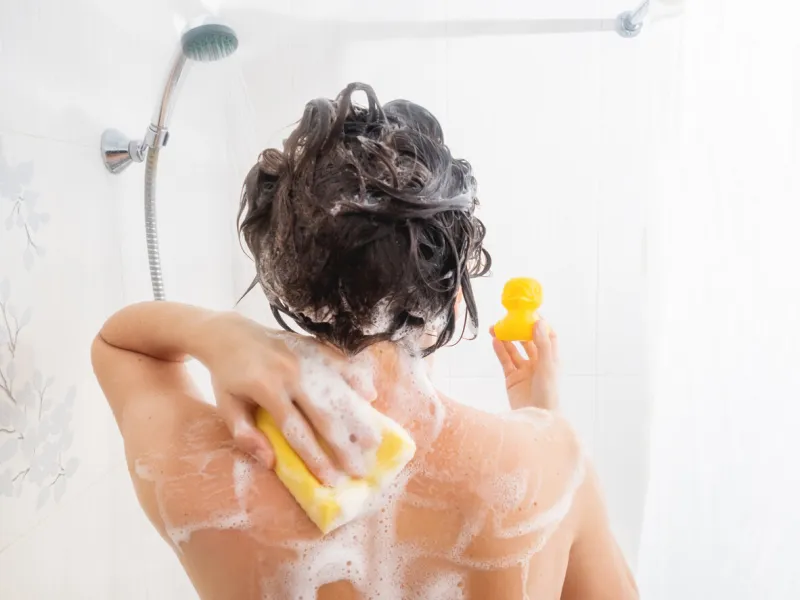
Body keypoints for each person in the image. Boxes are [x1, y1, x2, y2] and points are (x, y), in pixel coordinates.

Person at [92, 83, 638, 599]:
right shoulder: (549, 467)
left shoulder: (198, 474)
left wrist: (217, 332)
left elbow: (119, 345)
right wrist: (542, 414)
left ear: (291, 287)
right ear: (448, 295)